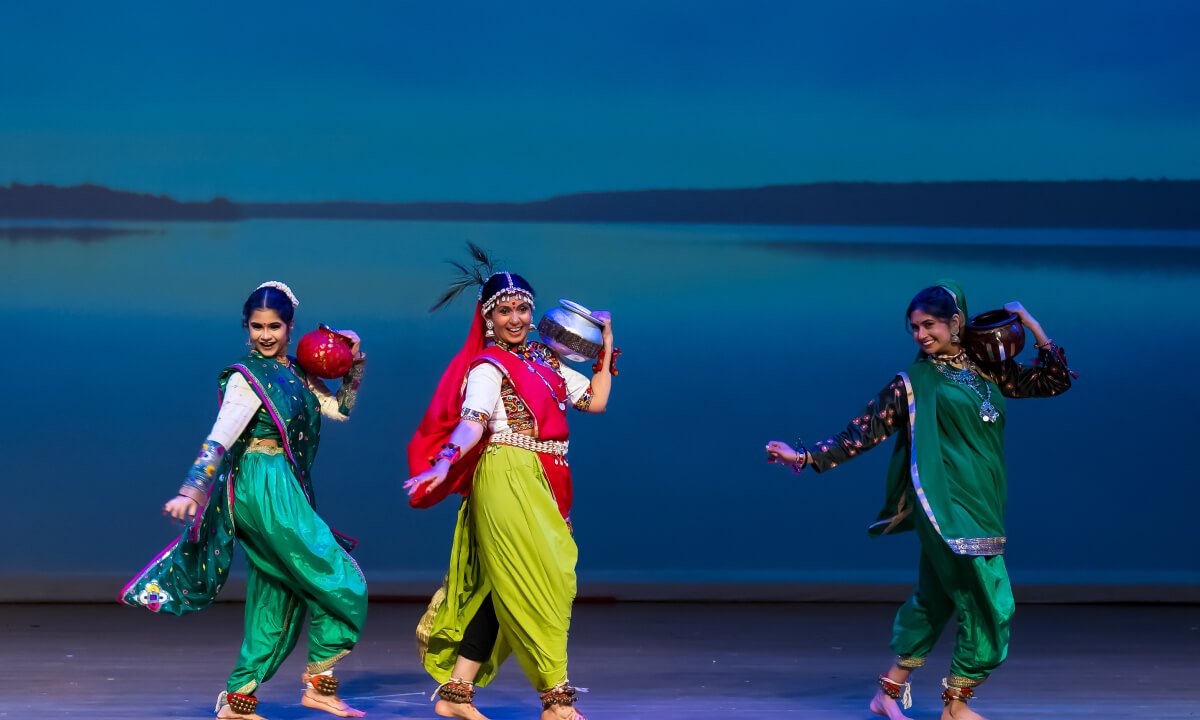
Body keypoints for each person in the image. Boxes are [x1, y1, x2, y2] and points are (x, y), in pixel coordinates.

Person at [765, 281, 1072, 720]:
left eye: (928, 325)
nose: (920, 335)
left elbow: (1054, 381)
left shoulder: (988, 369)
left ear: (956, 322)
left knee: (937, 598)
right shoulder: (911, 383)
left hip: (983, 499)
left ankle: (887, 693)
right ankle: (957, 704)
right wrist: (804, 456)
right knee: (992, 601)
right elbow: (861, 433)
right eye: (914, 328)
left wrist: (1033, 326)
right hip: (942, 504)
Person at [121, 281, 369, 720]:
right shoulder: (246, 377)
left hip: (287, 487)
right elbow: (220, 436)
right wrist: (192, 489)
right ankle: (318, 683)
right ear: (246, 328)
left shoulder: (296, 373)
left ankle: (240, 700)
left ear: (290, 327)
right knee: (341, 579)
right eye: (257, 327)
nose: (266, 335)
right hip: (261, 485)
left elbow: (339, 411)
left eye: (275, 326)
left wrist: (353, 362)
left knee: (279, 595)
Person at [405, 253, 616, 720]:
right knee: (545, 584)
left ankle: (456, 694)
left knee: (510, 587)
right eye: (505, 311)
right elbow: (472, 425)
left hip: (548, 479)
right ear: (488, 318)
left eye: (522, 309)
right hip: (505, 474)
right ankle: (556, 701)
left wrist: (606, 344)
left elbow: (596, 401)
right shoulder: (487, 367)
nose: (516, 319)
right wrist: (444, 461)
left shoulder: (546, 361)